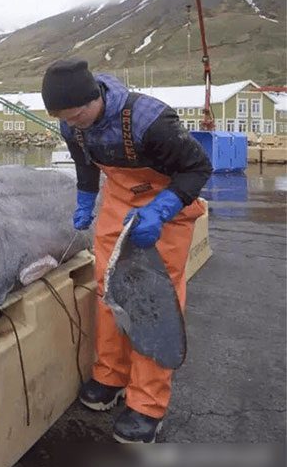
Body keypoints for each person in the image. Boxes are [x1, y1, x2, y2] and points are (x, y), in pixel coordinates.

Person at [41, 58, 212, 443]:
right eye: (65, 118)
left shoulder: (151, 120)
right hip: (119, 202)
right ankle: (110, 376)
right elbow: (87, 165)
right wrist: (86, 199)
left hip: (166, 204)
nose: (74, 123)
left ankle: (148, 404)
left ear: (94, 97)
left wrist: (163, 209)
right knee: (109, 292)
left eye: (78, 113)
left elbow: (198, 168)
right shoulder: (74, 125)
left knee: (152, 302)